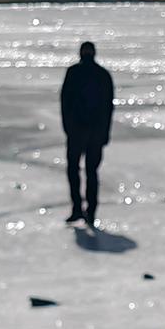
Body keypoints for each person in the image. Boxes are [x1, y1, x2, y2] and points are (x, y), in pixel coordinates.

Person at [60, 40, 115, 226]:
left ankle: (78, 208)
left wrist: (68, 128)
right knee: (91, 172)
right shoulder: (103, 75)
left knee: (75, 170)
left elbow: (64, 103)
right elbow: (108, 107)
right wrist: (105, 132)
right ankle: (90, 211)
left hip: (77, 132)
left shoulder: (74, 73)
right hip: (95, 134)